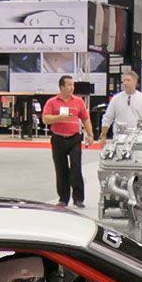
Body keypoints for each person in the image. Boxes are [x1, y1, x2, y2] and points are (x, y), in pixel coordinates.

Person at [42, 75, 92, 208]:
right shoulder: (52, 102)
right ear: (61, 87)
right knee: (61, 168)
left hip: (74, 138)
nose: (72, 87)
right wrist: (59, 117)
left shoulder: (78, 101)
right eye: (69, 85)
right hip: (58, 138)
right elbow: (45, 119)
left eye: (73, 85)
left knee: (76, 167)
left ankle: (78, 198)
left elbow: (85, 118)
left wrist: (90, 134)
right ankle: (63, 198)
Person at [98, 70, 142, 145]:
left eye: (128, 80)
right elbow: (107, 118)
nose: (125, 83)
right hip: (119, 139)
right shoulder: (116, 99)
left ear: (135, 82)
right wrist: (103, 135)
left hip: (138, 139)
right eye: (124, 80)